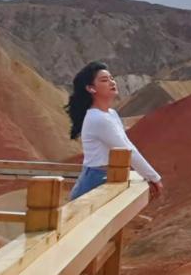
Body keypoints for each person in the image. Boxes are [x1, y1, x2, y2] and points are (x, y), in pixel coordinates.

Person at [65, 61, 164, 201]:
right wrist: (154, 178)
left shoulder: (110, 113)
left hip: (109, 176)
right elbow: (127, 150)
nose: (112, 82)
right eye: (105, 80)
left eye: (112, 78)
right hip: (94, 180)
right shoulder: (98, 119)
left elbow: (126, 144)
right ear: (91, 88)